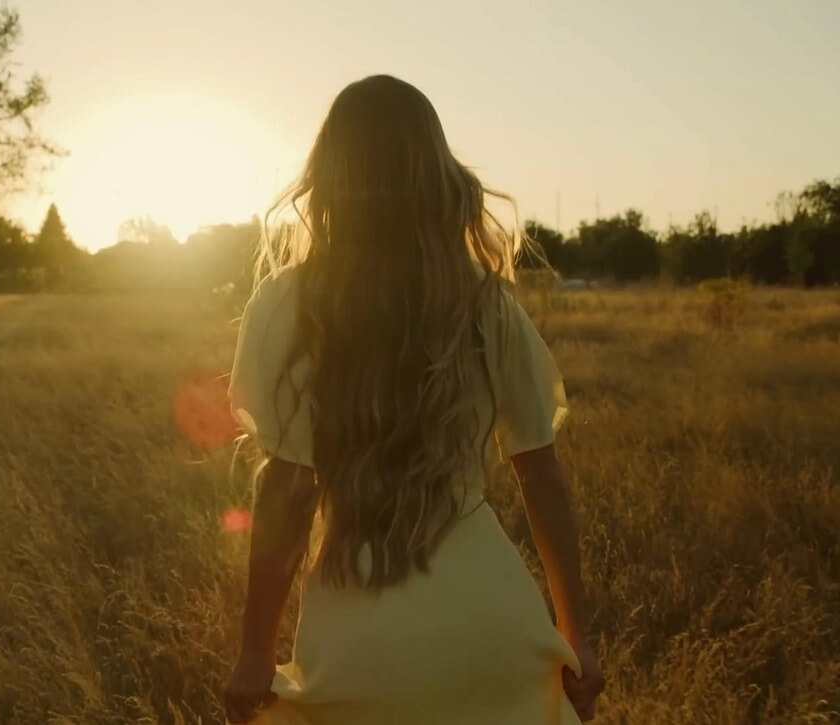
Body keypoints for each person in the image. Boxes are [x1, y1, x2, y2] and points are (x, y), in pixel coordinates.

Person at [223, 75, 605, 724]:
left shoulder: (288, 303)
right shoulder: (489, 302)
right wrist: (578, 636)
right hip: (492, 630)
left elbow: (289, 486)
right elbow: (541, 473)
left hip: (359, 646)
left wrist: (255, 652)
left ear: (330, 174)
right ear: (437, 174)